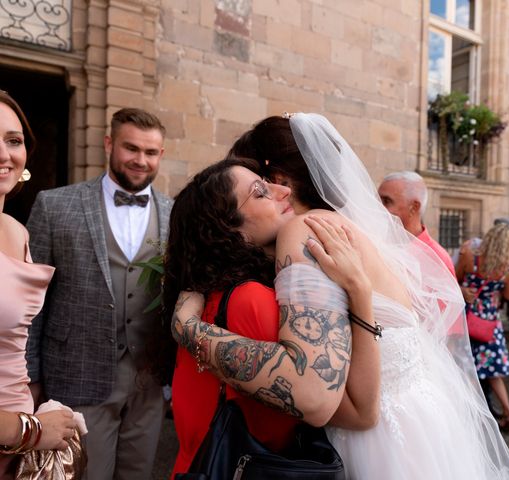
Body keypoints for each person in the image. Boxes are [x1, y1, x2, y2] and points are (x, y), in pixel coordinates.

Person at [173, 114, 509, 479]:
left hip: (376, 438)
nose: (273, 192)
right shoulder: (346, 226)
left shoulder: (304, 231)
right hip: (423, 419)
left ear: (280, 179)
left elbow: (315, 391)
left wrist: (188, 328)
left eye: (263, 184)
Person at [162, 157, 377, 477]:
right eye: (260, 191)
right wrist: (361, 293)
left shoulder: (209, 293)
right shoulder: (251, 299)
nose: (283, 190)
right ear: (229, 228)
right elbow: (355, 412)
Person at [25, 108, 173, 479]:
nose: (141, 160)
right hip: (77, 372)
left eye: (151, 152)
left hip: (149, 381)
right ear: (109, 144)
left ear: (161, 155)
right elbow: (32, 303)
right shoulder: (55, 205)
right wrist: (29, 377)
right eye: (131, 148)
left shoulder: (176, 213)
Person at [0, 90, 79, 478]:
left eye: (13, 141)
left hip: (19, 444)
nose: (4, 154)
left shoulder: (17, 230)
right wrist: (31, 430)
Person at [456, 223, 509, 433]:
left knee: (466, 365)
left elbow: (454, 278)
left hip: (466, 314)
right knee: (493, 370)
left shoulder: (470, 257)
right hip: (489, 319)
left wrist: (464, 288)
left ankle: (474, 412)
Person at [377, 171, 455, 276]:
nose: (378, 208)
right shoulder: (376, 242)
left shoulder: (437, 258)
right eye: (377, 200)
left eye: (386, 201)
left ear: (414, 207)